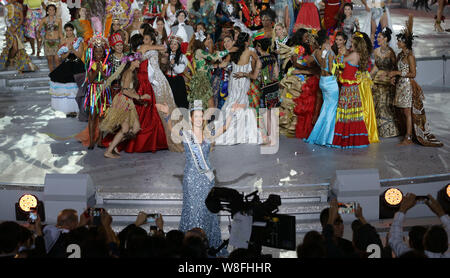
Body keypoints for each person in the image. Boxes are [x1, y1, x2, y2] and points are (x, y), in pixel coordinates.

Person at [156, 99, 242, 257]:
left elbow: (224, 128)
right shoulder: (186, 135)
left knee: (206, 209)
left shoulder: (208, 134)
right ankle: (190, 246)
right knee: (192, 209)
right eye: (196, 116)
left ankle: (207, 243)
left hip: (206, 179)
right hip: (191, 178)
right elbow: (171, 130)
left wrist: (231, 113)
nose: (198, 118)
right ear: (191, 118)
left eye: (201, 116)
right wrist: (168, 115)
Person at [389, 16, 443, 147]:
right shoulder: (400, 55)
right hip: (401, 86)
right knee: (403, 111)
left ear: (404, 42)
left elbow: (413, 74)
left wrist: (397, 73)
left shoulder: (410, 56)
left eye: (399, 41)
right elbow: (399, 68)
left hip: (407, 86)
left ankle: (408, 137)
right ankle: (408, 132)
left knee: (408, 111)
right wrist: (394, 77)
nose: (397, 43)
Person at [137, 31, 184, 152]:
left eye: (147, 39)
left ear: (152, 41)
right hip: (153, 80)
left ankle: (170, 135)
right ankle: (159, 136)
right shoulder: (147, 48)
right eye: (144, 39)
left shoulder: (149, 49)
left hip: (158, 80)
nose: (144, 42)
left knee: (164, 106)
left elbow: (147, 53)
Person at [214, 32, 263, 146]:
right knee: (241, 104)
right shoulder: (250, 50)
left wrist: (212, 65)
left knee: (231, 102)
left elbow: (223, 64)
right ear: (247, 41)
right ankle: (240, 131)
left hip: (233, 80)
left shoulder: (233, 51)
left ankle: (225, 128)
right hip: (243, 79)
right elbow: (259, 62)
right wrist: (252, 75)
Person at [100, 53, 152, 158]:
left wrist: (140, 100)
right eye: (137, 61)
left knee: (136, 128)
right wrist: (141, 97)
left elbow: (130, 90)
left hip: (128, 102)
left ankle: (114, 143)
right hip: (123, 102)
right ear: (132, 62)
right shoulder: (128, 73)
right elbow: (125, 91)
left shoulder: (132, 72)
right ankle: (108, 151)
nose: (139, 62)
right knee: (125, 129)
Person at [332, 36, 370, 149]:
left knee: (346, 113)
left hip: (348, 89)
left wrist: (338, 53)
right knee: (352, 114)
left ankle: (345, 139)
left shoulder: (353, 55)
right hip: (352, 88)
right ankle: (352, 138)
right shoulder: (357, 55)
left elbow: (339, 61)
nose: (350, 45)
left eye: (352, 43)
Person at [388, 193, 450, 258]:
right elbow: (394, 239)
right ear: (446, 245)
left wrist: (403, 208)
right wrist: (440, 212)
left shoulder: (409, 256)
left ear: (424, 242)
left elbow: (394, 239)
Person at [305, 30, 339, 147]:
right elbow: (331, 68)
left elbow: (308, 62)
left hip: (322, 82)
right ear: (326, 41)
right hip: (330, 82)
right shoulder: (329, 51)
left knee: (325, 108)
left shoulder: (316, 52)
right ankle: (326, 138)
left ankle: (317, 135)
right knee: (331, 110)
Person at [48, 23, 85, 117]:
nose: (69, 32)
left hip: (77, 64)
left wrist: (73, 49)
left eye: (70, 30)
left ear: (73, 31)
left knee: (76, 87)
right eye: (67, 30)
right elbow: (62, 57)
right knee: (67, 86)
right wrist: (68, 52)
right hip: (67, 64)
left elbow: (80, 56)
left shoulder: (79, 40)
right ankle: (70, 110)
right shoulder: (63, 41)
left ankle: (78, 109)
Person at [371, 27, 400, 138]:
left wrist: (388, 74)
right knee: (376, 103)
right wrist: (369, 76)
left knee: (384, 104)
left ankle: (388, 130)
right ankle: (375, 130)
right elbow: (376, 66)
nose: (377, 38)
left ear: (386, 39)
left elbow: (395, 67)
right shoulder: (376, 51)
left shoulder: (391, 52)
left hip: (387, 80)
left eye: (380, 37)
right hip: (377, 80)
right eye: (377, 37)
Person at [189, 31, 230, 110]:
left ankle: (204, 121)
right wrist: (228, 50)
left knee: (206, 106)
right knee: (206, 107)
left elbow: (206, 67)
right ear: (202, 41)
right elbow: (213, 58)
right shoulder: (199, 51)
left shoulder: (203, 51)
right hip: (201, 81)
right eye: (207, 39)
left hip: (205, 79)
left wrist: (217, 65)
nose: (210, 40)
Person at [0, 0, 37, 73]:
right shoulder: (6, 6)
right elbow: (5, 19)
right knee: (13, 46)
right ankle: (10, 60)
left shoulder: (19, 6)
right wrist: (10, 27)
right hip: (10, 29)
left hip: (18, 29)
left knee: (18, 48)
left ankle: (11, 60)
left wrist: (16, 27)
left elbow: (22, 18)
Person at [356, 31, 379, 144]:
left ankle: (362, 131)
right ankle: (366, 131)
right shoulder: (365, 54)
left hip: (360, 82)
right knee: (366, 106)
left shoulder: (357, 55)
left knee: (362, 106)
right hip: (364, 81)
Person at [166, 36, 190, 109]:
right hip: (167, 79)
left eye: (175, 44)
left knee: (179, 101)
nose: (172, 46)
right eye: (171, 44)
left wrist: (173, 64)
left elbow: (179, 70)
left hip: (177, 81)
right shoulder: (166, 55)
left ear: (178, 46)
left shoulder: (182, 57)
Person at [38, 4, 63, 72]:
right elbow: (38, 30)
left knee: (57, 59)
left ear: (55, 11)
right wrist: (39, 37)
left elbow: (60, 32)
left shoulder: (59, 20)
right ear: (47, 11)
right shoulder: (44, 20)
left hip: (56, 42)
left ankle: (59, 76)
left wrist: (62, 42)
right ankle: (53, 75)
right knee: (49, 60)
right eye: (50, 9)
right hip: (47, 42)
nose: (51, 11)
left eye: (53, 9)